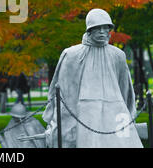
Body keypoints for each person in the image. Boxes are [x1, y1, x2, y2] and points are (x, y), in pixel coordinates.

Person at [40, 8, 142, 148]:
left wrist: (129, 118)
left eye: (105, 27)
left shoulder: (118, 55)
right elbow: (63, 94)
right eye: (97, 28)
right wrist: (56, 124)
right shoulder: (71, 55)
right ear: (89, 30)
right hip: (84, 114)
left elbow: (125, 91)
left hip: (114, 113)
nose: (102, 31)